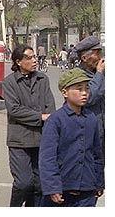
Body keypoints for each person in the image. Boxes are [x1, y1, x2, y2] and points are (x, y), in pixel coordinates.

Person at [39, 68, 104, 207]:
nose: (85, 93)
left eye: (87, 88)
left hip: (87, 188)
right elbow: (48, 157)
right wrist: (52, 187)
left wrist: (99, 182)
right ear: (64, 92)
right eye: (79, 89)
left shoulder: (91, 118)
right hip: (62, 188)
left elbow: (97, 154)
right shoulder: (56, 120)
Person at [3, 45, 56, 207]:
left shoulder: (42, 79)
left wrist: (49, 119)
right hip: (19, 141)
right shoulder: (10, 82)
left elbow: (50, 106)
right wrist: (40, 116)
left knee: (39, 185)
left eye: (34, 57)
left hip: (41, 140)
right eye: (29, 58)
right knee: (24, 183)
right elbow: (14, 110)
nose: (35, 60)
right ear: (18, 62)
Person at [73, 35, 105, 159]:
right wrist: (99, 73)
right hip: (90, 133)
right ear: (84, 57)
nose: (100, 57)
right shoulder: (77, 76)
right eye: (97, 53)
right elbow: (89, 97)